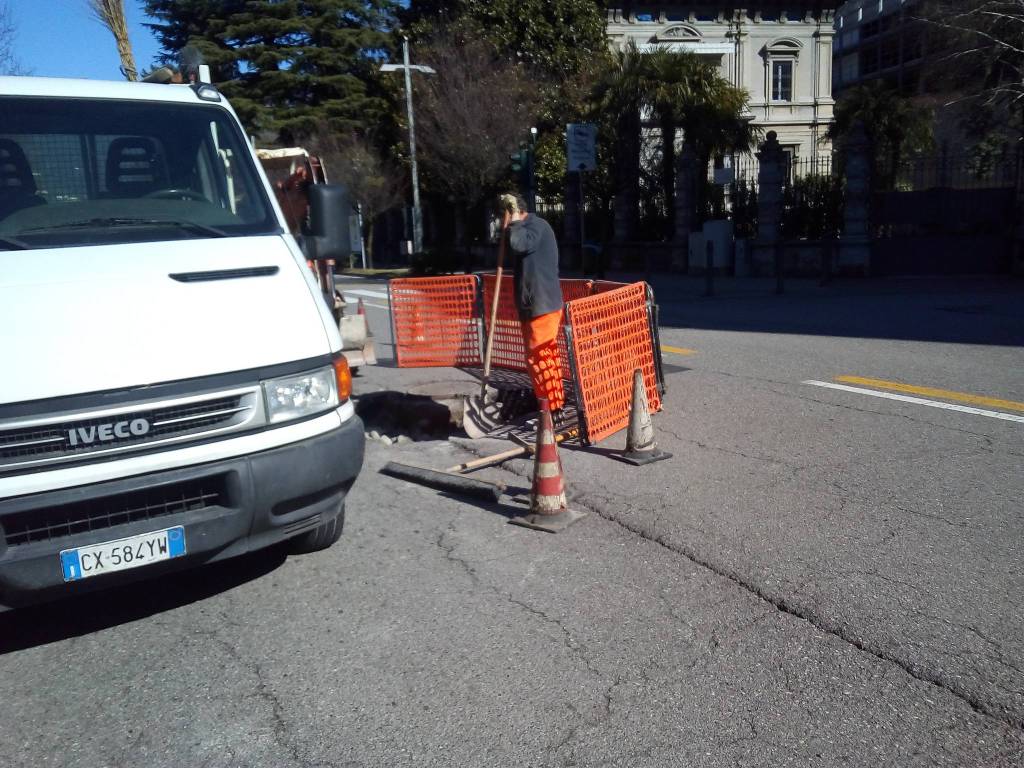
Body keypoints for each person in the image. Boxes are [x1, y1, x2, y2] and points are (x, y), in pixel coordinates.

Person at [499, 192, 565, 413]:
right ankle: (545, 402)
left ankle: (553, 408)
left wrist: (514, 220)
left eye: (505, 215)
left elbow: (518, 244)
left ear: (516, 211)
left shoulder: (536, 226)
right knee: (535, 358)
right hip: (532, 305)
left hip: (542, 305)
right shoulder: (525, 228)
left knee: (541, 357)